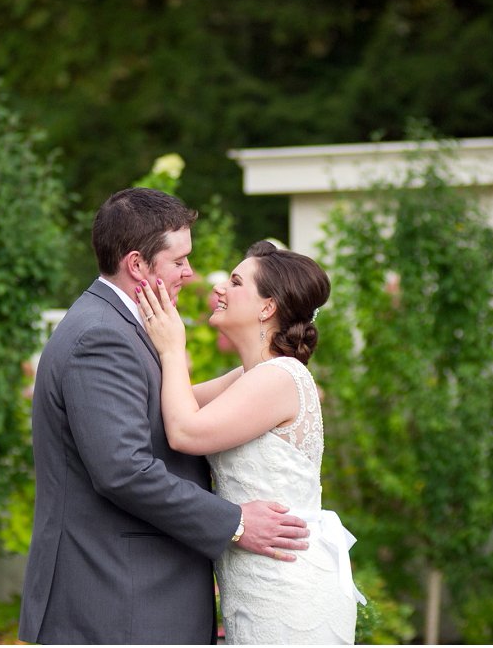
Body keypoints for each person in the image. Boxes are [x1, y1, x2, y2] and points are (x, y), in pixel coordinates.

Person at [19, 189, 312, 645]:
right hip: (119, 601)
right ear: (138, 265)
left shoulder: (122, 329)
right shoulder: (102, 336)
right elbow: (123, 471)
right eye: (179, 262)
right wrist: (234, 522)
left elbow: (184, 411)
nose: (190, 274)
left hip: (139, 597)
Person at [136, 239, 366, 644]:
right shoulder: (250, 377)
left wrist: (173, 349)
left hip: (287, 589)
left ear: (267, 307)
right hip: (258, 583)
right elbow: (168, 406)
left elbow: (184, 431)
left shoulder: (280, 378)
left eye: (237, 282)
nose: (220, 288)